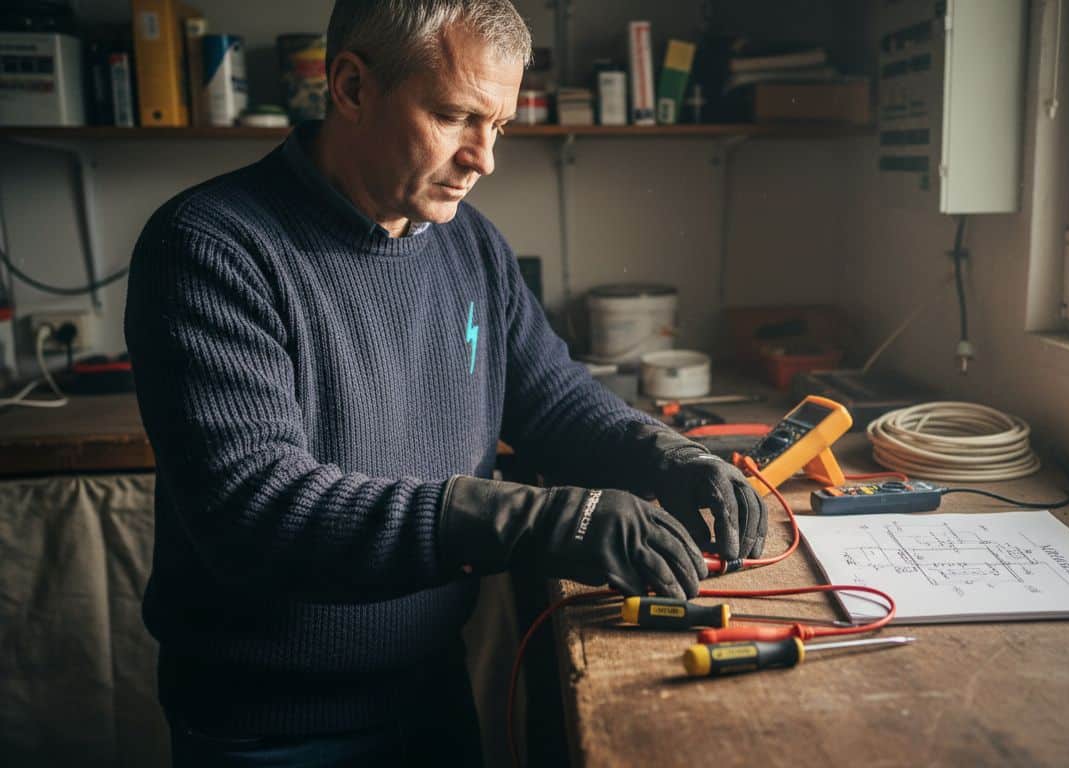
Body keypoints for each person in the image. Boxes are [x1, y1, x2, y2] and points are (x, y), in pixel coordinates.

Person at [122, 1, 765, 764]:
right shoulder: (210, 247)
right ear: (353, 88)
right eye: (457, 116)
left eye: (498, 127)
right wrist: (530, 521)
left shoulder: (469, 246)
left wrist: (664, 454)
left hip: (430, 686)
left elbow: (554, 399)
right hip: (271, 727)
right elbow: (257, 509)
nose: (483, 159)